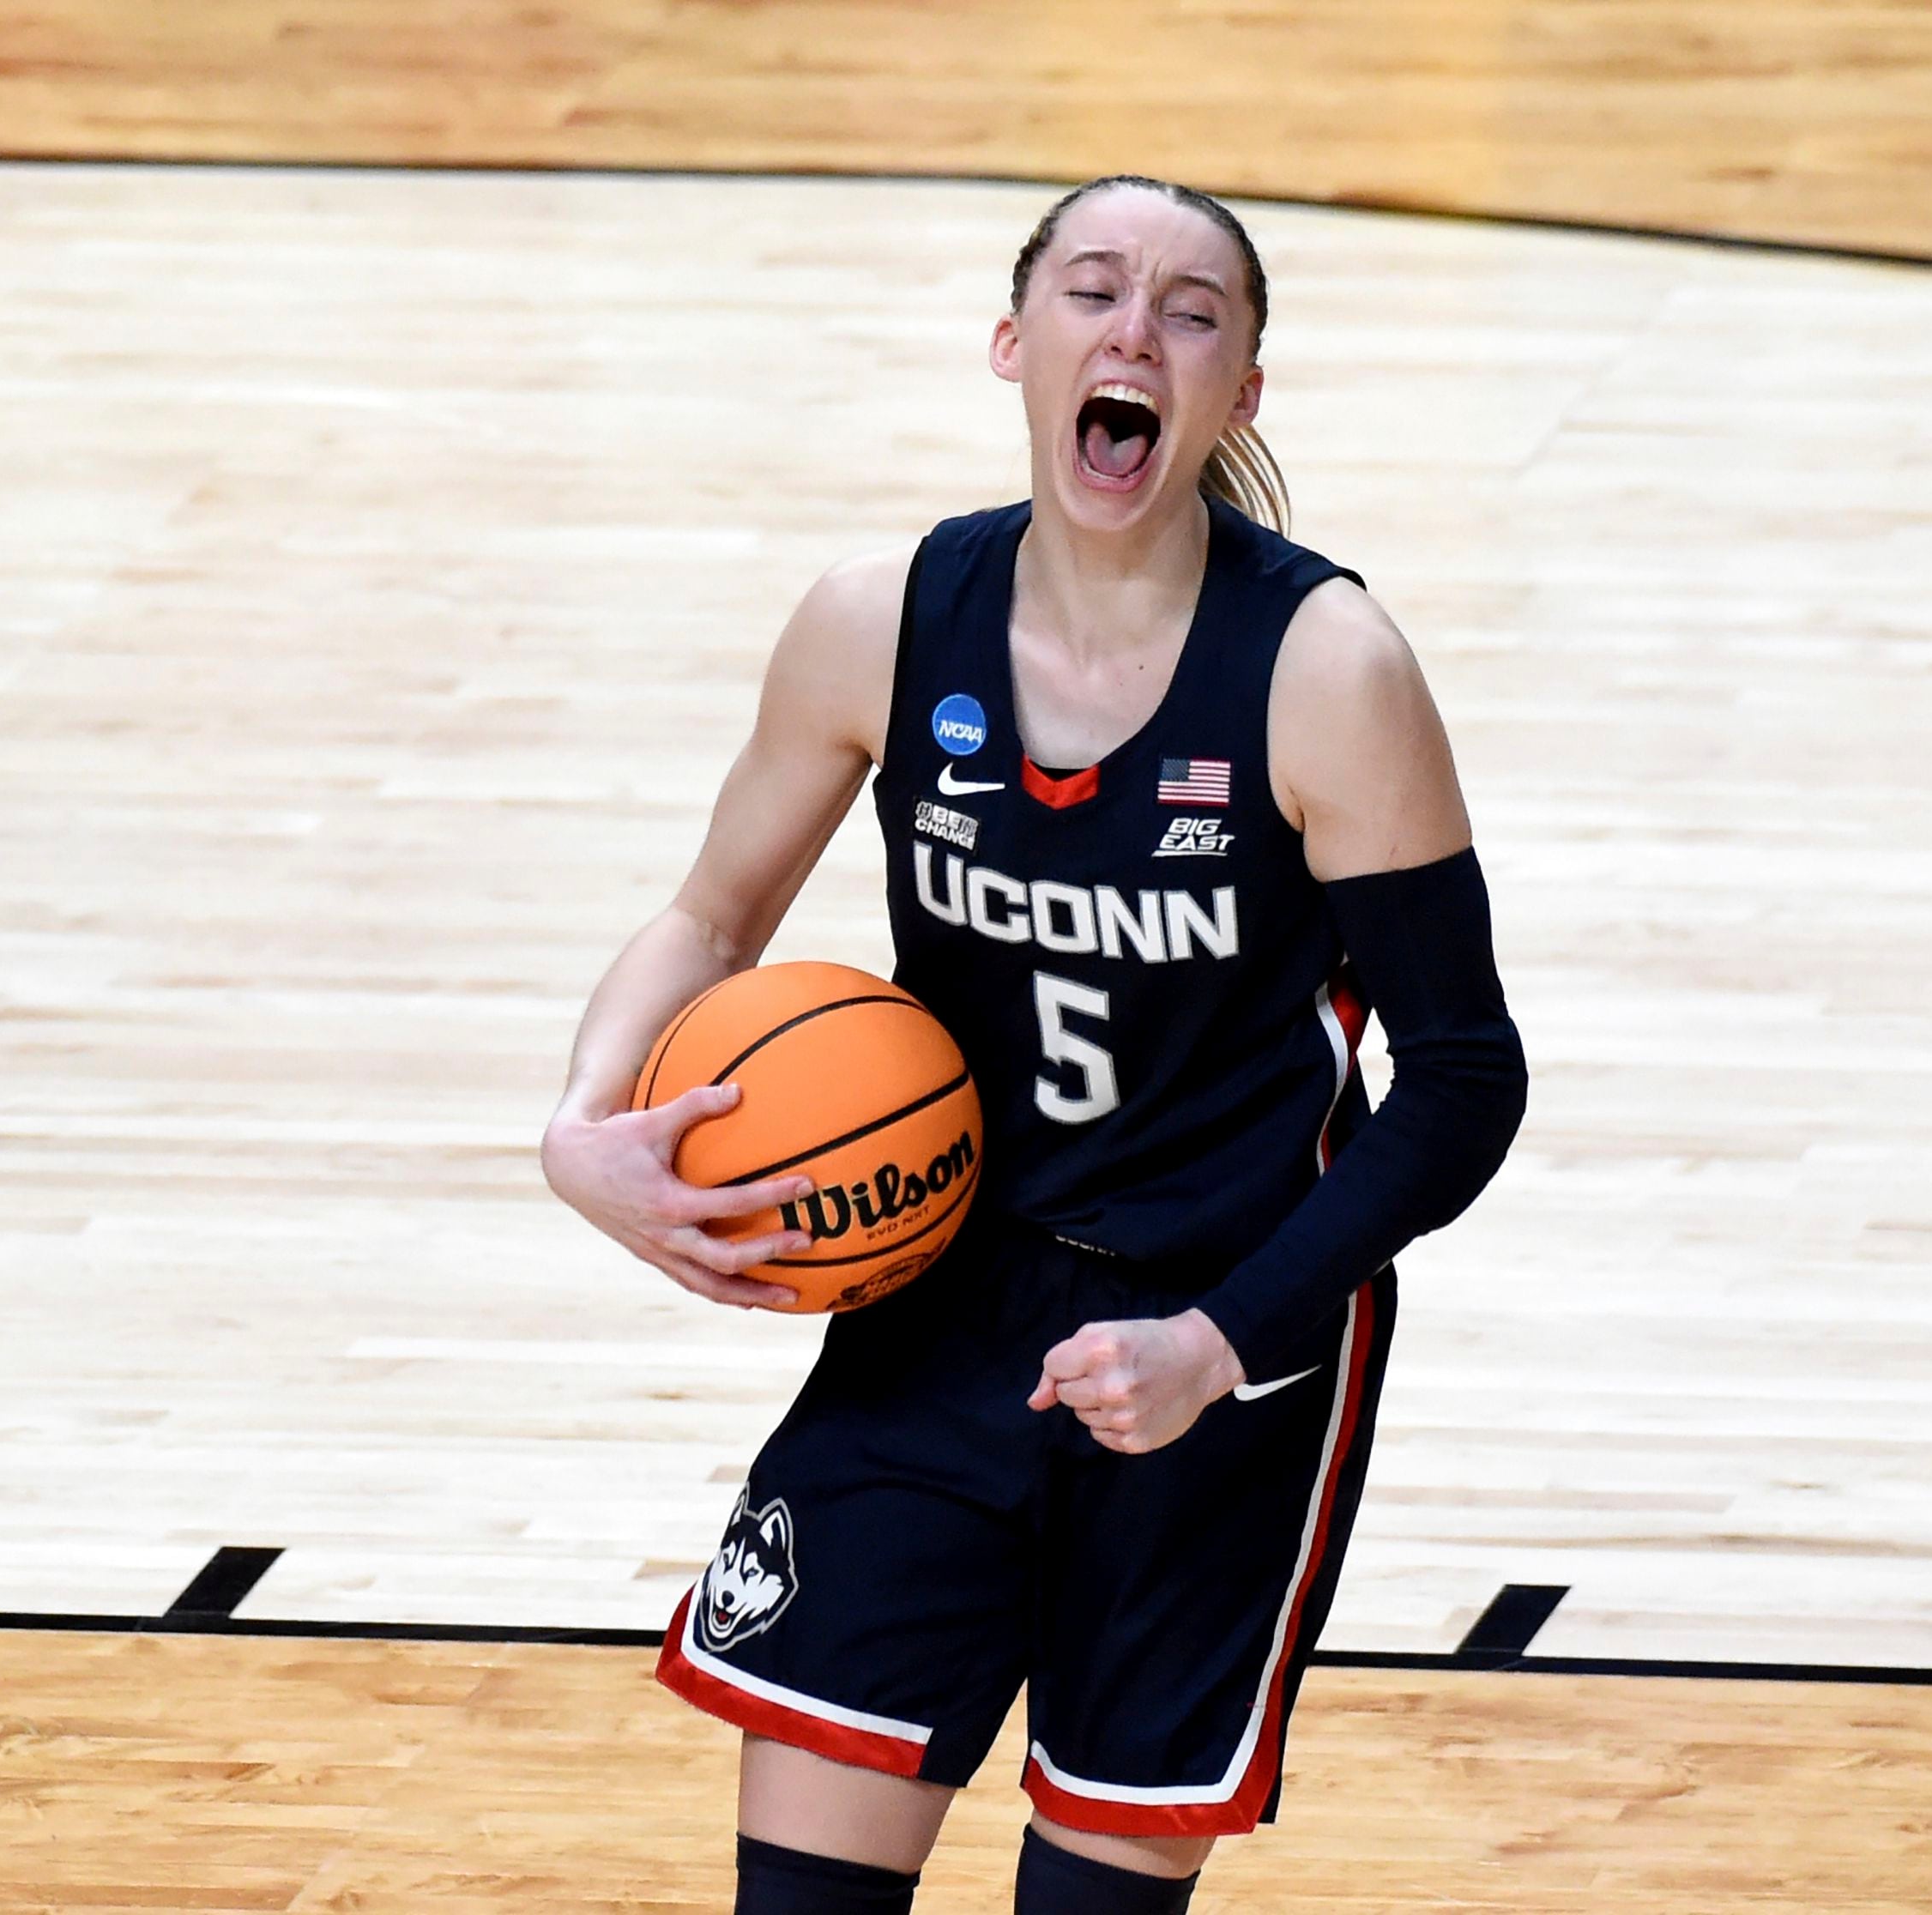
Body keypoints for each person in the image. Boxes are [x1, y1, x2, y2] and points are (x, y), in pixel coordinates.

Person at [542, 175, 1525, 1915]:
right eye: (1092, 288)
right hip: (939, 1309)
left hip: (1226, 1344)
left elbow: (1461, 1080)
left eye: (1193, 309)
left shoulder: (1325, 670)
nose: (1136, 326)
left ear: (1240, 393)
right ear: (1016, 344)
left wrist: (1221, 1341)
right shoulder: (883, 620)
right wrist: (580, 1127)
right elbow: (708, 917)